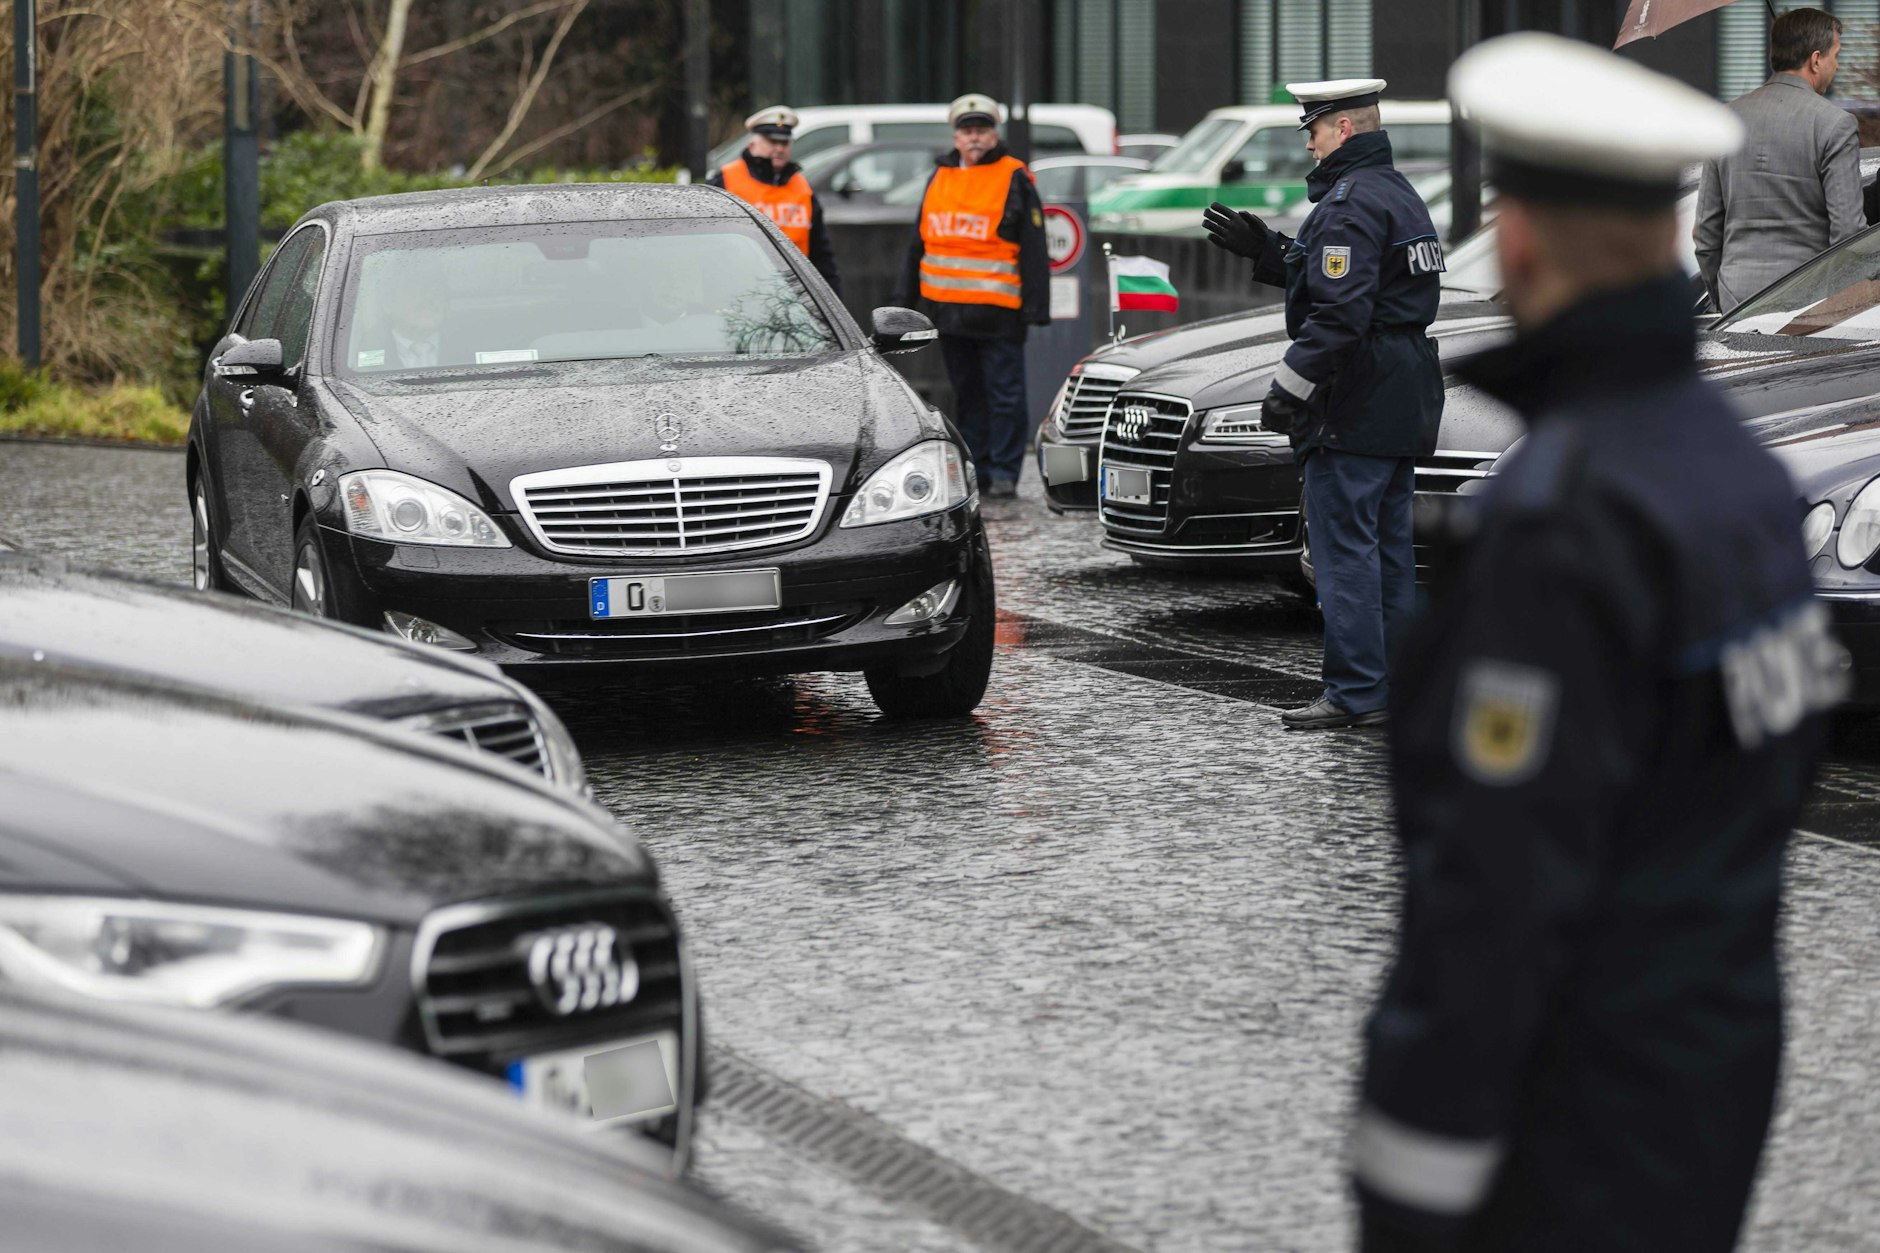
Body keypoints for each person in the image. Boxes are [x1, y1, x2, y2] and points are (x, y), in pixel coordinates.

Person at [1353, 34, 1849, 1253]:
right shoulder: (1738, 476)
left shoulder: (1563, 518)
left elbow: (1492, 899)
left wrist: (1411, 1192)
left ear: (1515, 240)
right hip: (1708, 1077)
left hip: (1563, 1123)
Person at [1201, 79, 1444, 731]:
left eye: (1314, 128)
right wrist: (1271, 252)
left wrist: (1290, 388)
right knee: (1389, 551)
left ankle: (1358, 692)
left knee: (1344, 556)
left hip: (1357, 396)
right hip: (1401, 390)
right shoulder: (1395, 192)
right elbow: (1362, 281)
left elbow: (1341, 310)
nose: (1308, 141)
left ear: (1345, 129)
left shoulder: (1350, 200)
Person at [898, 93, 1049, 499]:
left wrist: (1035, 308)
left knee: (1004, 397)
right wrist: (903, 302)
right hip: (948, 312)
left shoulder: (1013, 175)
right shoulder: (940, 177)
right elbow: (919, 242)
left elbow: (1034, 247)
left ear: (994, 133)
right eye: (967, 131)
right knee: (968, 397)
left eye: (982, 130)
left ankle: (1003, 472)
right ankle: (978, 469)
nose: (975, 138)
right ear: (956, 136)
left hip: (999, 311)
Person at [1695, 6, 1862, 313]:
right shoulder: (1834, 124)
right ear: (1815, 60)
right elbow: (1848, 233)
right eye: (1835, 55)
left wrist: (1722, 299)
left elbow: (1706, 236)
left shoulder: (1724, 120)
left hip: (1734, 299)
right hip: (1809, 303)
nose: (1837, 65)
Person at [709, 106, 842, 294]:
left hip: (793, 297)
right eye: (772, 141)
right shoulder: (724, 180)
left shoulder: (802, 188)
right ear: (753, 143)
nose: (779, 148)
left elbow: (822, 256)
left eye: (785, 142)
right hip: (739, 291)